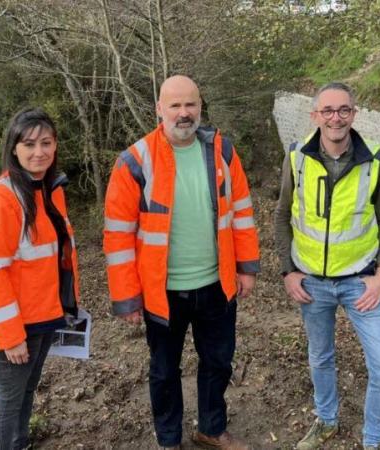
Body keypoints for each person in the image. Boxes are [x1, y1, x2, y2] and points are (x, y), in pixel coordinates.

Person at [103, 75, 260, 450]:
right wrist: (127, 297)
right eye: (175, 105)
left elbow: (241, 211)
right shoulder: (135, 161)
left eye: (190, 104)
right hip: (162, 292)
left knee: (219, 362)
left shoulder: (222, 152)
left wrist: (246, 267)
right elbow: (118, 236)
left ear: (200, 107)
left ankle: (211, 428)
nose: (184, 113)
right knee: (163, 371)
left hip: (216, 284)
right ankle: (169, 440)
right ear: (159, 109)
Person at [274, 82, 380, 450]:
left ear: (354, 114)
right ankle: (326, 420)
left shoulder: (374, 158)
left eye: (343, 110)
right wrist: (288, 270)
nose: (336, 118)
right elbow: (282, 216)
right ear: (315, 116)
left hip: (362, 282)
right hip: (312, 283)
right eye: (327, 111)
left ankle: (374, 442)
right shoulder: (296, 156)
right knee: (320, 357)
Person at [0, 107, 80, 449]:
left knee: (27, 389)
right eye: (29, 143)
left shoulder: (48, 189)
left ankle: (20, 442)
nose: (39, 151)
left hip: (44, 314)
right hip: (18, 323)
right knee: (7, 401)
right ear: (13, 148)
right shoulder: (1, 199)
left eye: (46, 142)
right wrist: (10, 335)